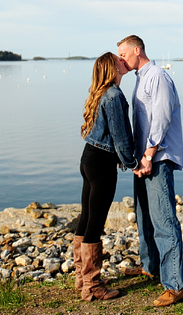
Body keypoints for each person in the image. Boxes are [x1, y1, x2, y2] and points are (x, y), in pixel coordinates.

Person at [117, 35, 183, 307]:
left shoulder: (157, 76)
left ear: (137, 50)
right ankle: (150, 266)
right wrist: (136, 157)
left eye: (123, 53)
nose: (121, 58)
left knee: (164, 221)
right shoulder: (140, 77)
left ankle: (175, 284)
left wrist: (148, 155)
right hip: (143, 160)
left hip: (156, 160)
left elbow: (161, 117)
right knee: (144, 216)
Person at [74, 52, 138, 301]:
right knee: (95, 223)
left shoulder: (102, 92)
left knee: (86, 218)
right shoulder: (113, 95)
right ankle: (92, 286)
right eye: (118, 59)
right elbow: (121, 137)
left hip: (89, 159)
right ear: (112, 68)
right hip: (101, 164)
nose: (123, 60)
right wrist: (133, 163)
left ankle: (82, 278)